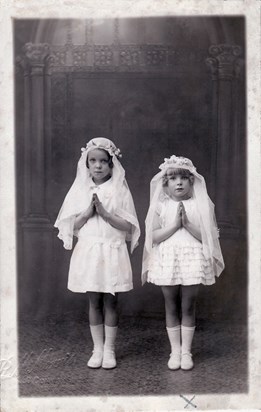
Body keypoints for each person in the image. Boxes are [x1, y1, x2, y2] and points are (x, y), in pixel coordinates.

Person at [54, 137, 140, 370]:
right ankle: (97, 349)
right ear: (87, 163)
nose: (98, 165)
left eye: (103, 161)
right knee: (94, 301)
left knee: (111, 301)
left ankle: (110, 350)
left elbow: (129, 227)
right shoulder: (80, 189)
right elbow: (70, 226)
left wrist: (105, 213)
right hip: (90, 250)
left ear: (112, 164)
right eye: (93, 161)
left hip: (112, 249)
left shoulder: (119, 189)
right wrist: (89, 211)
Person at [142, 155, 224, 371]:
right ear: (165, 184)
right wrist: (175, 225)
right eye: (173, 178)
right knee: (170, 304)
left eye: (183, 178)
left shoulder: (200, 204)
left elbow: (208, 238)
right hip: (167, 258)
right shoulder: (162, 205)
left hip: (192, 258)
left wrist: (186, 223)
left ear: (191, 181)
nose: (178, 182)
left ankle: (186, 351)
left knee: (188, 305)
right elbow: (153, 237)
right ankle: (174, 351)